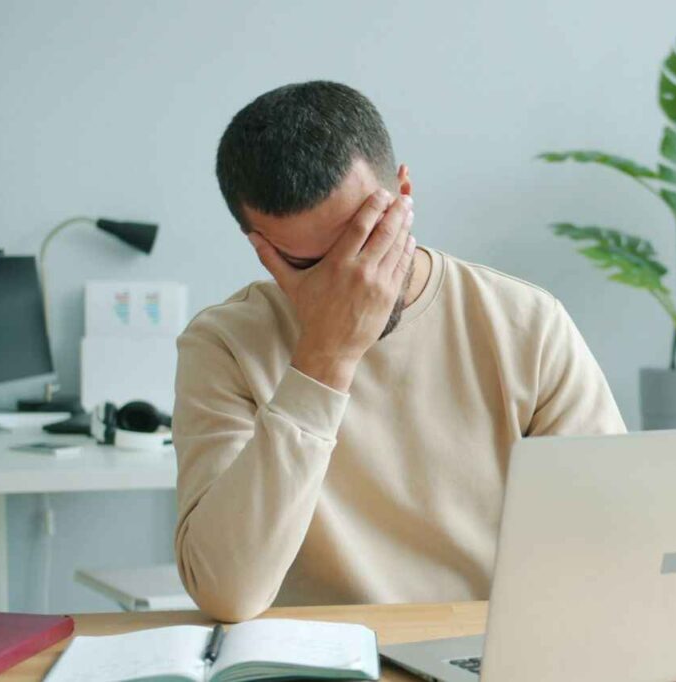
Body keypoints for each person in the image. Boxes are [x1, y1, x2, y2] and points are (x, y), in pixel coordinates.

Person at [173, 80, 626, 622]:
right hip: (321, 663)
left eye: (365, 240)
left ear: (403, 194)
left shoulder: (526, 323)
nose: (352, 279)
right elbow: (229, 591)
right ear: (260, 246)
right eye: (310, 265)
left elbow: (611, 548)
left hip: (486, 653)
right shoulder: (223, 346)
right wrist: (325, 358)